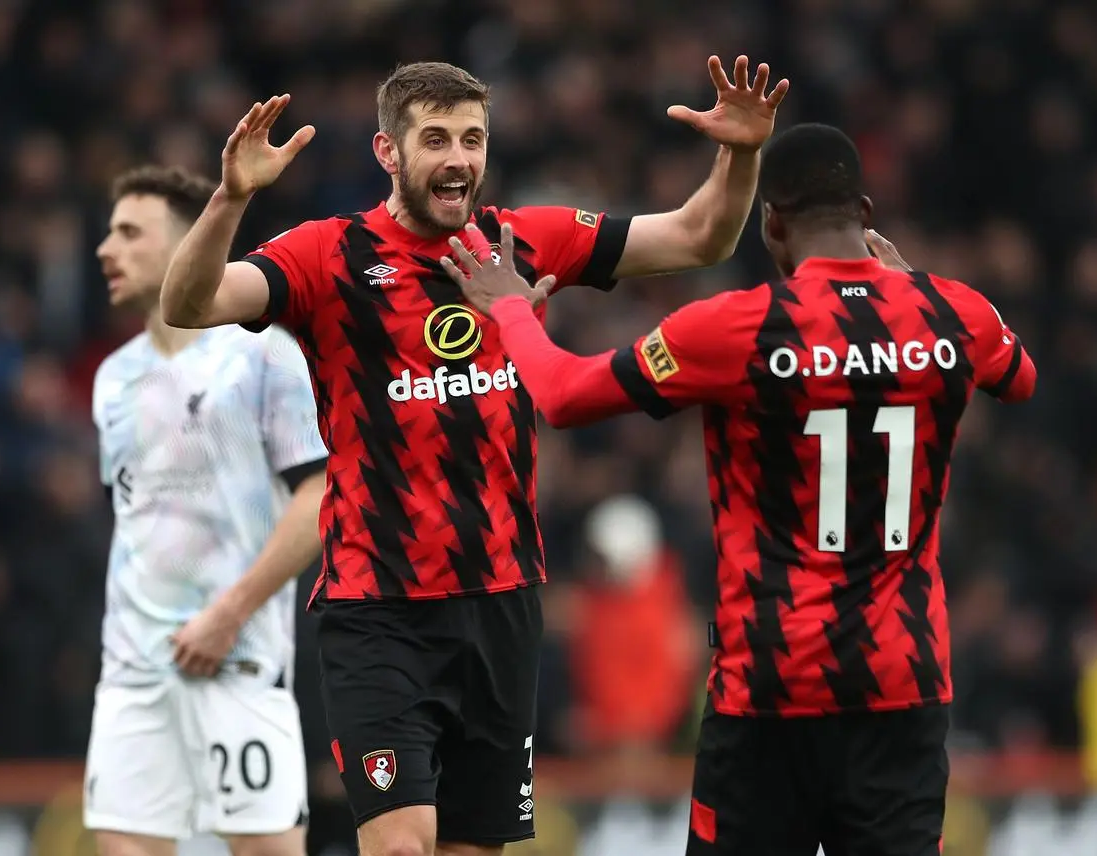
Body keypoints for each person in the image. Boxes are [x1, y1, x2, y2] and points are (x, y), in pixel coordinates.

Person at [158, 57, 786, 856]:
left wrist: (739, 153)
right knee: (399, 845)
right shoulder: (328, 255)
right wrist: (231, 198)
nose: (458, 157)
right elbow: (190, 302)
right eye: (435, 139)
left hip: (500, 603)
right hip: (377, 604)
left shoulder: (524, 241)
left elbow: (700, 237)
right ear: (389, 152)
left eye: (472, 138)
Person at [439, 123, 1039, 856]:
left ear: (772, 223)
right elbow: (1020, 376)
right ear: (868, 214)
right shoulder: (952, 312)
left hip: (770, 686)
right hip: (902, 684)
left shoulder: (737, 328)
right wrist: (910, 284)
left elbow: (564, 396)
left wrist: (508, 308)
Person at [86, 165, 328, 856]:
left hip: (237, 661)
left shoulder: (262, 357)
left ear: (186, 241)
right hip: (133, 674)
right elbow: (134, 521)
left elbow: (321, 494)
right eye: (109, 233)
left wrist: (228, 612)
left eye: (130, 233)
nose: (107, 249)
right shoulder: (113, 379)